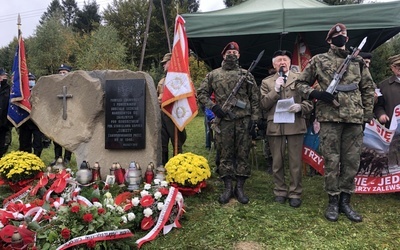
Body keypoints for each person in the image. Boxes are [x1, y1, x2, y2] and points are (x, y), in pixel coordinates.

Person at [295, 23, 375, 222]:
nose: (342, 39)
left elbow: (368, 89)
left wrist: (366, 116)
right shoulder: (318, 60)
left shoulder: (357, 62)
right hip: (330, 118)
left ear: (347, 39)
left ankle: (345, 201)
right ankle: (333, 200)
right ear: (330, 40)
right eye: (337, 36)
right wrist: (316, 94)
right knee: (331, 160)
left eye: (344, 36)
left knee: (351, 162)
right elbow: (299, 84)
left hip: (354, 119)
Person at [197, 41, 260, 204]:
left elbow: (255, 98)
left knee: (242, 154)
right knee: (225, 154)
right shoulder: (213, 75)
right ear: (223, 55)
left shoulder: (247, 75)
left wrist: (254, 120)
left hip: (243, 121)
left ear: (239, 55)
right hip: (224, 121)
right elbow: (201, 94)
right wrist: (214, 107)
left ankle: (239, 187)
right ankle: (227, 187)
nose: (232, 55)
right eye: (229, 53)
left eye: (235, 53)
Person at [260, 50, 313, 208]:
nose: (282, 63)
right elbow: (263, 104)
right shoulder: (267, 82)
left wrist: (301, 107)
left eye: (285, 60)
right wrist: (275, 90)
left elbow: (310, 102)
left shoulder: (300, 79)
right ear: (274, 64)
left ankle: (295, 192)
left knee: (295, 161)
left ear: (290, 63)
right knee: (277, 161)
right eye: (279, 60)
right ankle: (280, 190)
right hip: (275, 126)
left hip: (294, 124)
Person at [157, 53, 187, 165]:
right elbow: (157, 98)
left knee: (177, 144)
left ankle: (177, 169)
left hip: (175, 114)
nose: (163, 65)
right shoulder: (162, 81)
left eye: (165, 63)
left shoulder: (182, 79)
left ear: (172, 63)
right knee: (162, 144)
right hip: (162, 115)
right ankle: (162, 168)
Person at [374, 54, 400, 167]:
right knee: (393, 157)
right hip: (392, 129)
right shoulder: (384, 86)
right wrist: (381, 115)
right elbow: (378, 106)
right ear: (392, 68)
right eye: (397, 66)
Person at [18, 73, 44, 157]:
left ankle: (36, 158)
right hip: (24, 121)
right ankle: (25, 158)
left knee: (37, 143)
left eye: (32, 80)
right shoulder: (21, 93)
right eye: (29, 80)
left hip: (37, 122)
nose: (30, 82)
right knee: (24, 142)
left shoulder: (39, 91)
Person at [51, 64, 73, 165]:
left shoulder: (73, 85)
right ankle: (57, 157)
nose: (62, 74)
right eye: (60, 73)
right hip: (57, 116)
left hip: (70, 115)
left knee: (69, 137)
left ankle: (67, 158)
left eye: (64, 72)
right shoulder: (54, 85)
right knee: (56, 137)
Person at [0, 68, 11, 157]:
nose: (5, 77)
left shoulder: (8, 88)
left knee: (2, 142)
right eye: (3, 75)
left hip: (3, 121)